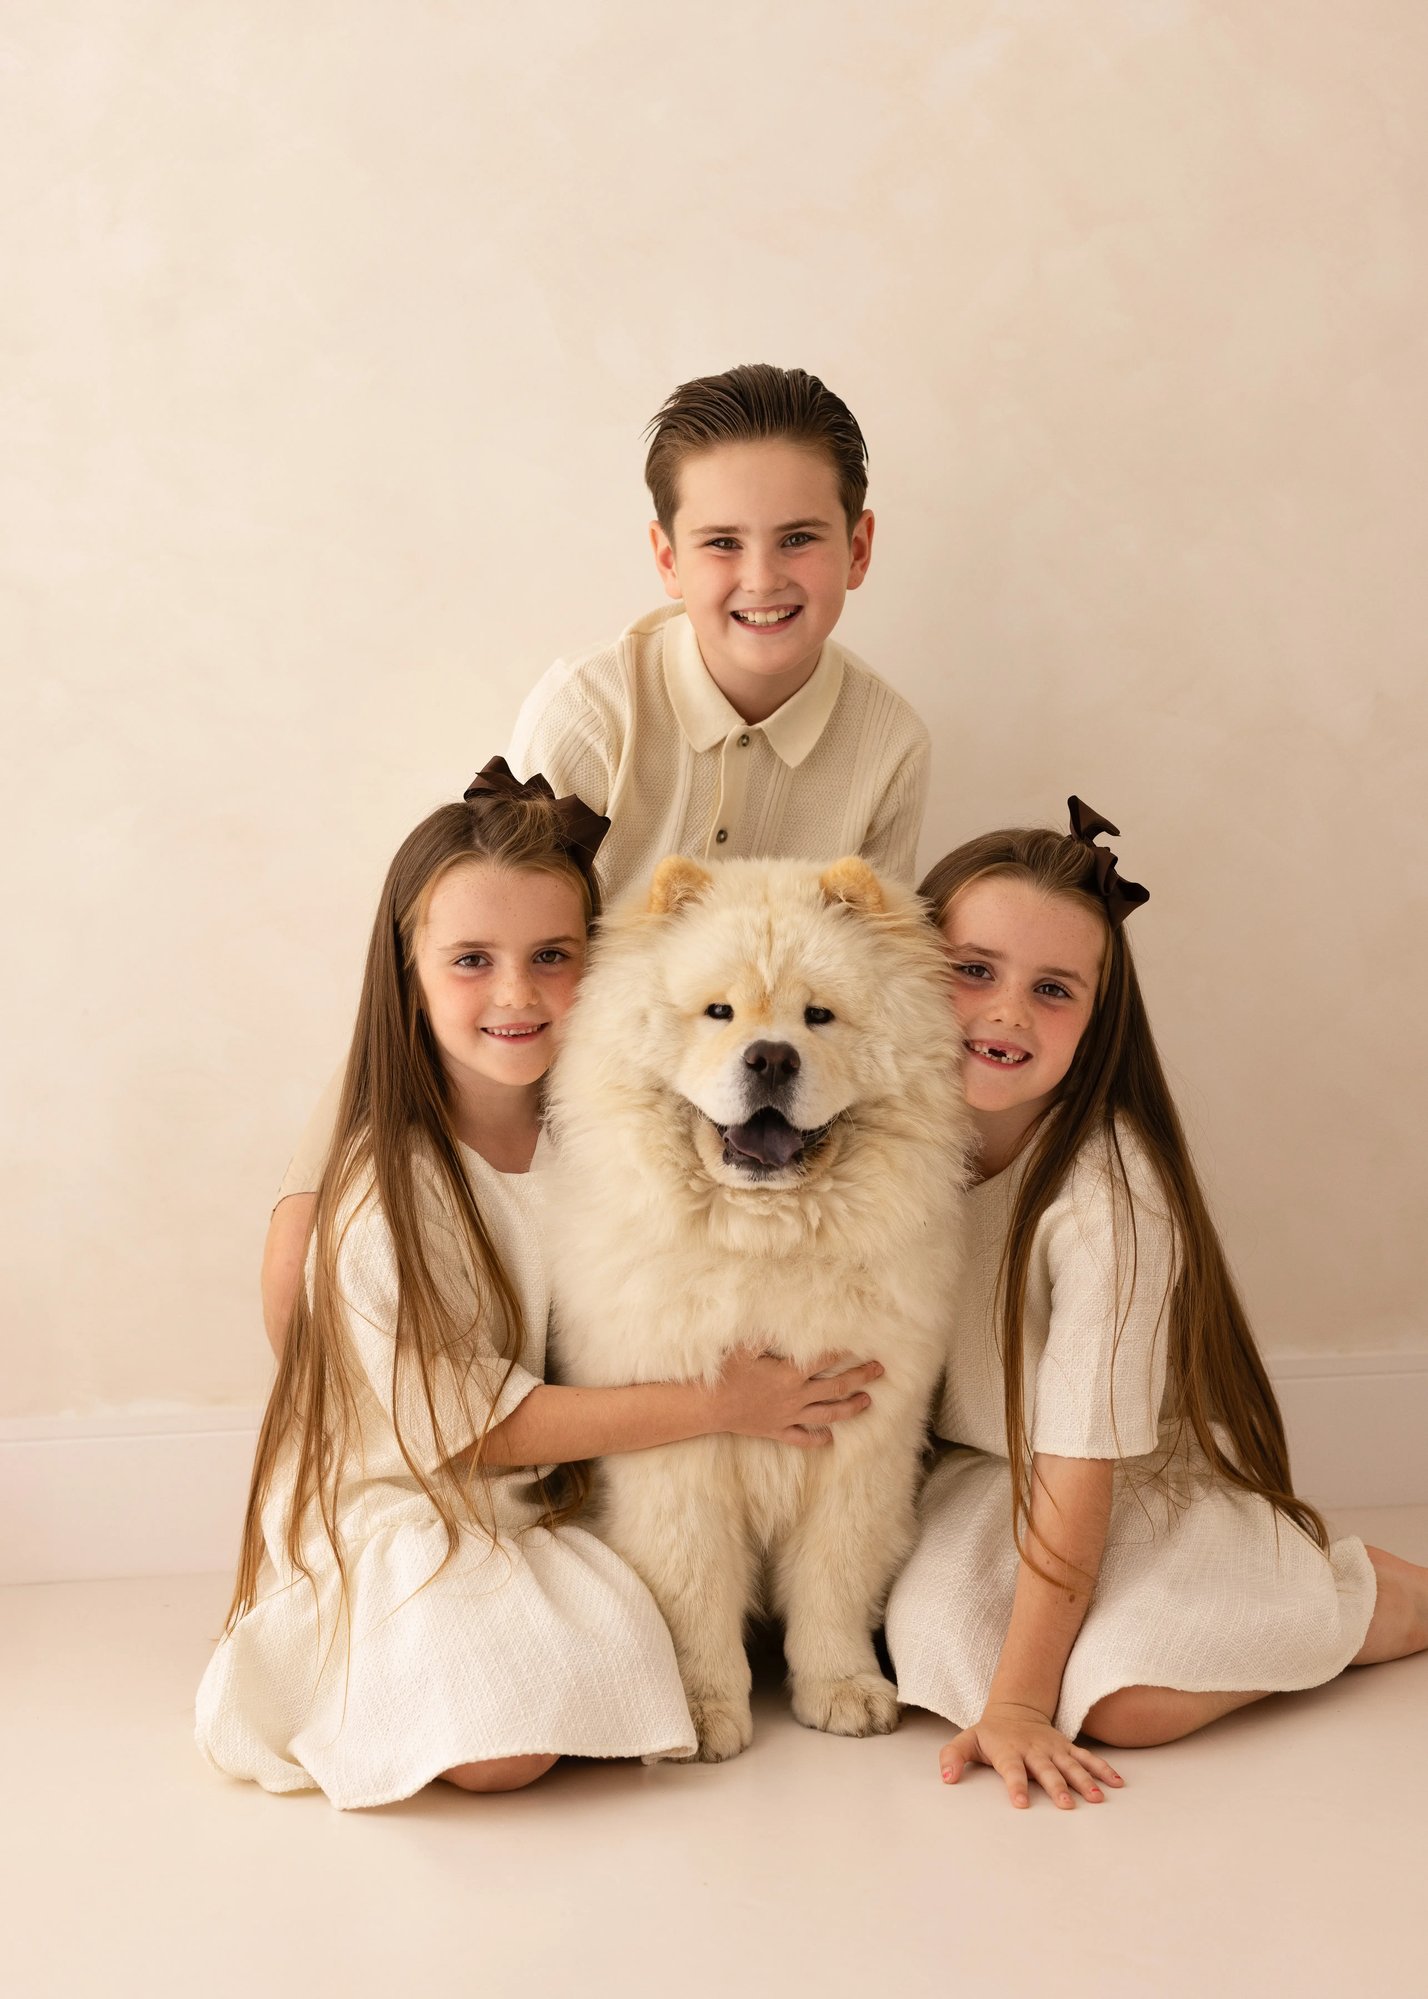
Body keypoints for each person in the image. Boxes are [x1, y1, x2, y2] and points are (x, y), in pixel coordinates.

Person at [197, 764, 883, 1808]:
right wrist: (724, 1404)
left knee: (603, 1660)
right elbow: (466, 1429)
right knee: (500, 1749)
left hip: (544, 1508)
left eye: (551, 958)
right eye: (472, 960)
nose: (516, 994)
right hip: (403, 1506)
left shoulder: (599, 1140)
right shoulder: (389, 1193)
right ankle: (379, 1654)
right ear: (409, 974)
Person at [262, 362, 931, 1342]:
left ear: (858, 546)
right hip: (531, 1084)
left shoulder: (889, 745)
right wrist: (309, 1199)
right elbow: (480, 944)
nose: (762, 577)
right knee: (325, 1271)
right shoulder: (594, 714)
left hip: (731, 1137)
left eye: (799, 538)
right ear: (666, 558)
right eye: (720, 544)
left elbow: (874, 993)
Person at [884, 800, 1428, 1809]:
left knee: (1129, 1703)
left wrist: (1021, 1705)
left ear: (1096, 1028)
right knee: (932, 1650)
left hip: (1127, 1478)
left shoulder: (1111, 1202)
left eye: (1053, 990)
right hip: (975, 1475)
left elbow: (1082, 1468)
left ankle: (1369, 1597)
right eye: (973, 970)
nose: (1005, 1012)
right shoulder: (871, 1138)